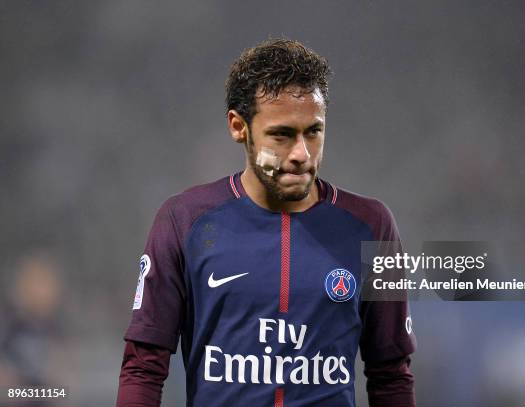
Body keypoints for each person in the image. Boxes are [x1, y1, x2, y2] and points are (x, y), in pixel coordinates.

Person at [116, 38, 416, 407]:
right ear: (238, 126)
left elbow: (391, 375)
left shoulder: (374, 227)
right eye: (282, 135)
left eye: (314, 131)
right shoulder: (183, 221)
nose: (301, 154)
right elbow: (144, 367)